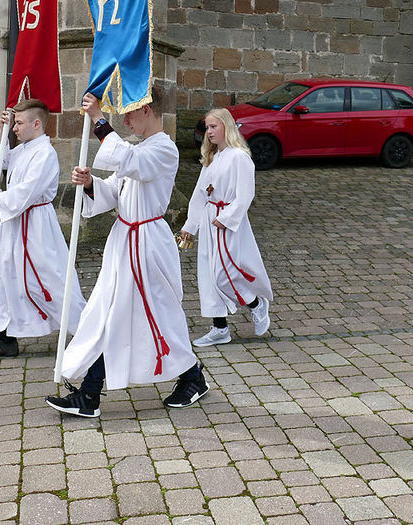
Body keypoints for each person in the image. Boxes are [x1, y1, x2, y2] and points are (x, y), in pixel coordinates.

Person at [46, 87, 209, 417]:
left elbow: (131, 164)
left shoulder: (163, 148)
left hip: (146, 245)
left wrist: (98, 120)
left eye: (130, 112)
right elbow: (115, 191)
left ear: (148, 110)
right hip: (126, 242)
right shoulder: (137, 147)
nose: (125, 119)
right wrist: (91, 183)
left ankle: (92, 395)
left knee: (138, 315)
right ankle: (188, 377)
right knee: (118, 315)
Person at [0, 100, 86, 359]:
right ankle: (5, 338)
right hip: (13, 226)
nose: (15, 128)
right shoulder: (23, 149)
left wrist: (0, 196)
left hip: (35, 226)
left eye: (19, 123)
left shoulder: (44, 153)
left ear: (37, 124)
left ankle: (86, 331)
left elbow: (28, 191)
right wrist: (2, 127)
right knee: (4, 277)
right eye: (14, 123)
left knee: (50, 278)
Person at [180, 108, 273, 347]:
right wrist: (191, 225)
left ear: (226, 127)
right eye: (207, 128)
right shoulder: (212, 159)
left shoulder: (239, 157)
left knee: (224, 274)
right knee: (208, 275)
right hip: (210, 218)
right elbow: (200, 194)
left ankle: (256, 303)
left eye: (214, 127)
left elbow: (245, 195)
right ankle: (219, 327)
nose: (209, 132)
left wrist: (228, 217)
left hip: (226, 222)